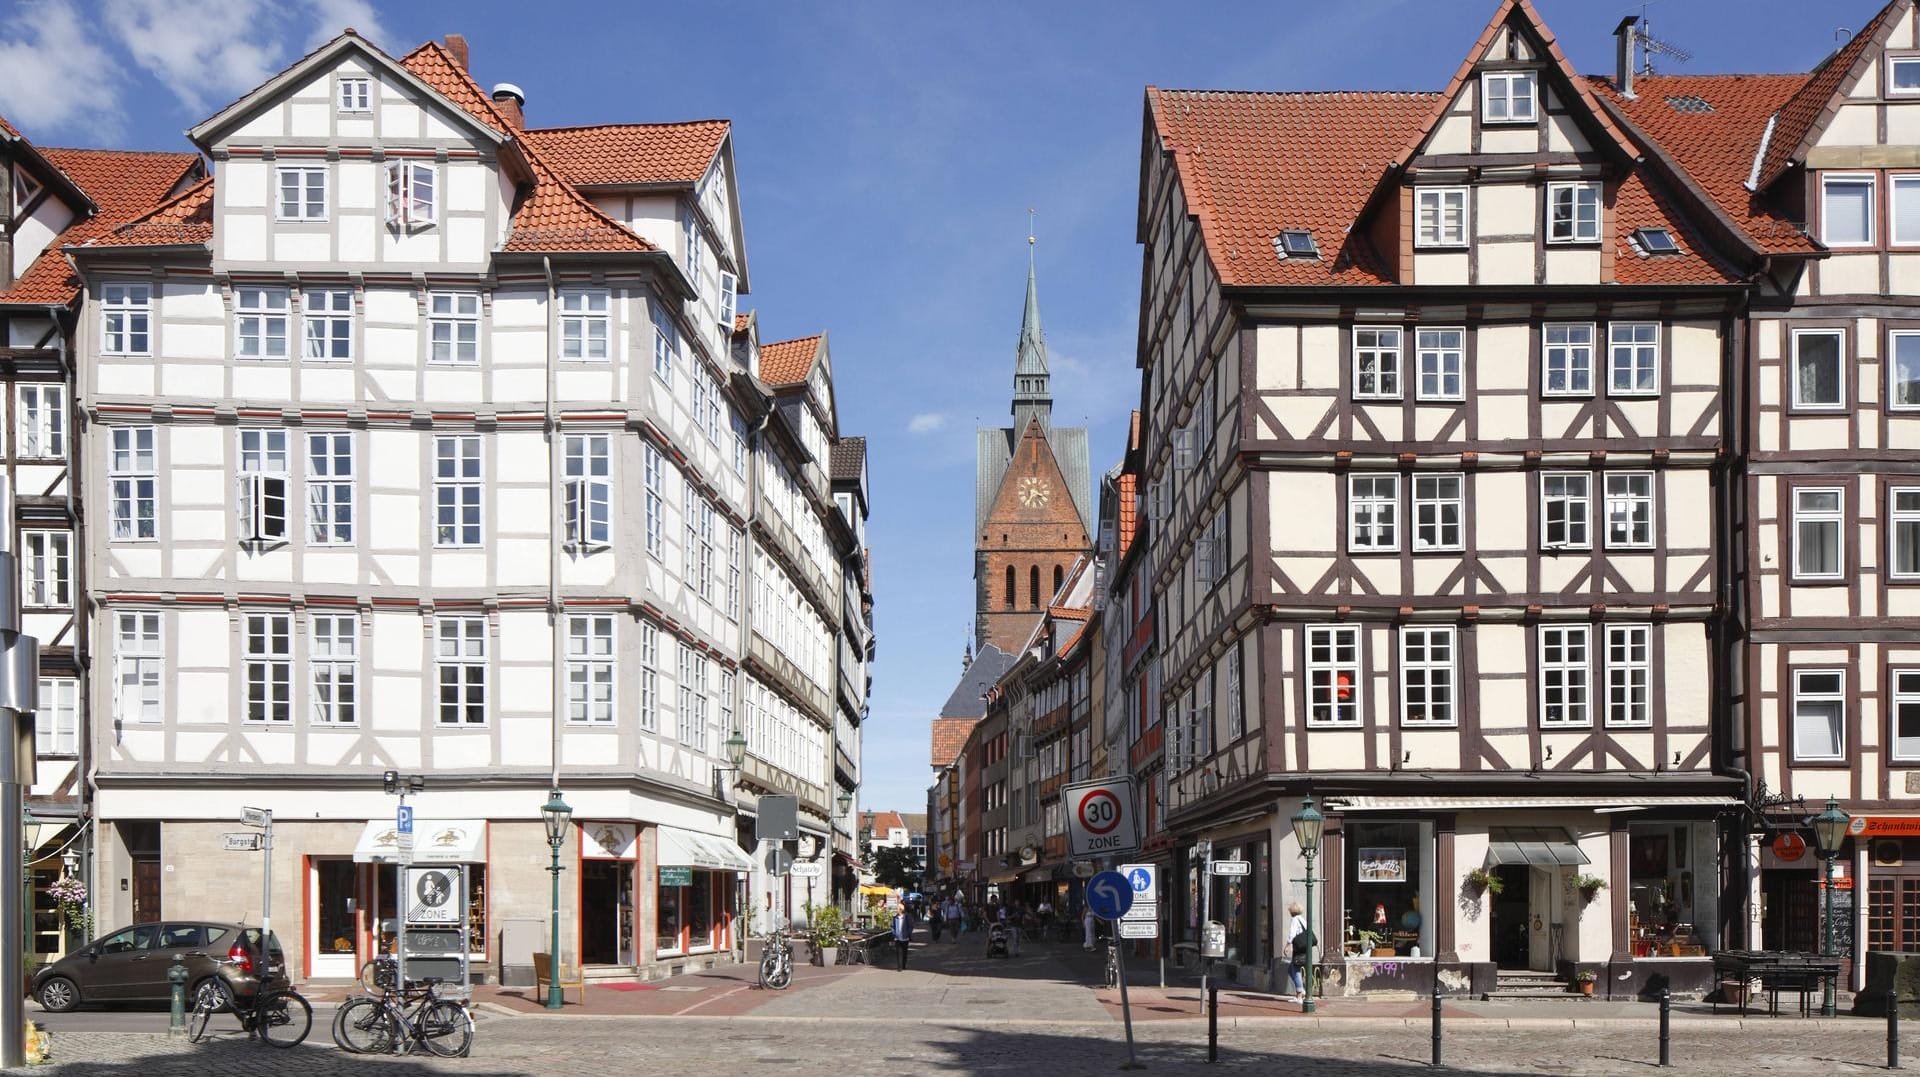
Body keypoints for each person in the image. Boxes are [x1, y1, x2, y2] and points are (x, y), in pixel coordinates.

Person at [1285, 901, 1310, 1004]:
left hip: (1298, 948)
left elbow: (1292, 933)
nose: (1289, 912)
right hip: (1304, 947)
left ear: (1292, 911)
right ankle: (1300, 992)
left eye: (1290, 910)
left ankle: (1300, 994)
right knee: (1291, 969)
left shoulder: (1295, 919)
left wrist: (1287, 945)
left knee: (1295, 970)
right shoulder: (1302, 920)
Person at [892, 905, 913, 970]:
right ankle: (899, 966)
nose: (896, 910)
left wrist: (908, 934)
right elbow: (892, 926)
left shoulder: (907, 917)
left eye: (897, 909)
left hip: (905, 938)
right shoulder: (895, 917)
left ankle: (904, 965)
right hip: (897, 938)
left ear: (901, 910)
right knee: (898, 953)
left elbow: (910, 926)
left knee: (904, 952)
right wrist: (894, 934)